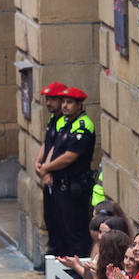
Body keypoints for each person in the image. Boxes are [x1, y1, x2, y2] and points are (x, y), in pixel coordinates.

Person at [38, 86, 96, 258]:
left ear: (80, 105)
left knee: (75, 230)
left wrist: (46, 168)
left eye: (69, 102)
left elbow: (70, 156)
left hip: (74, 187)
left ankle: (75, 271)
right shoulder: (65, 123)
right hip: (60, 185)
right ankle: (63, 264)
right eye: (63, 102)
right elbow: (54, 147)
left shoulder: (83, 126)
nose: (64, 106)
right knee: (59, 227)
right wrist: (44, 167)